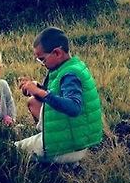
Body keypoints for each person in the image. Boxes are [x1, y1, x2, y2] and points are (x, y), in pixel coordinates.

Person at [15, 27, 103, 165]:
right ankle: (65, 158)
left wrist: (40, 92)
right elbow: (56, 95)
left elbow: (74, 107)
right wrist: (36, 88)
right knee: (33, 101)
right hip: (77, 139)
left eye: (42, 59)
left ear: (57, 53)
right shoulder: (71, 66)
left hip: (71, 145)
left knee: (13, 150)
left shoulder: (70, 74)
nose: (42, 64)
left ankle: (61, 160)